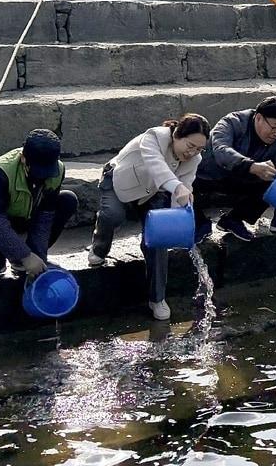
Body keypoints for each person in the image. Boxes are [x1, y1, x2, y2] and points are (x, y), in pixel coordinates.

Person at [87, 113, 209, 322]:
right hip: (120, 182)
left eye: (199, 149)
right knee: (112, 215)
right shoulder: (155, 137)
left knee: (158, 239)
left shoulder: (194, 159)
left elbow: (185, 185)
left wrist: (179, 210)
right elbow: (157, 167)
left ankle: (157, 298)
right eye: (190, 145)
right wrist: (178, 187)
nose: (193, 152)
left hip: (153, 193)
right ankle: (99, 246)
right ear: (177, 135)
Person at [0, 128, 77, 284]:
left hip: (22, 214)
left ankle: (22, 261)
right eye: (39, 171)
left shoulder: (57, 171)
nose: (43, 176)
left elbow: (45, 217)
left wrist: (37, 256)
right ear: (24, 158)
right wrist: (26, 256)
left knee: (67, 200)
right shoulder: (0, 172)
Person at [193, 96, 276, 241]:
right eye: (274, 127)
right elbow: (221, 151)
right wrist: (251, 166)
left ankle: (233, 220)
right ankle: (199, 222)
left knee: (273, 182)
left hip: (234, 180)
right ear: (258, 118)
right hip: (202, 176)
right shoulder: (232, 122)